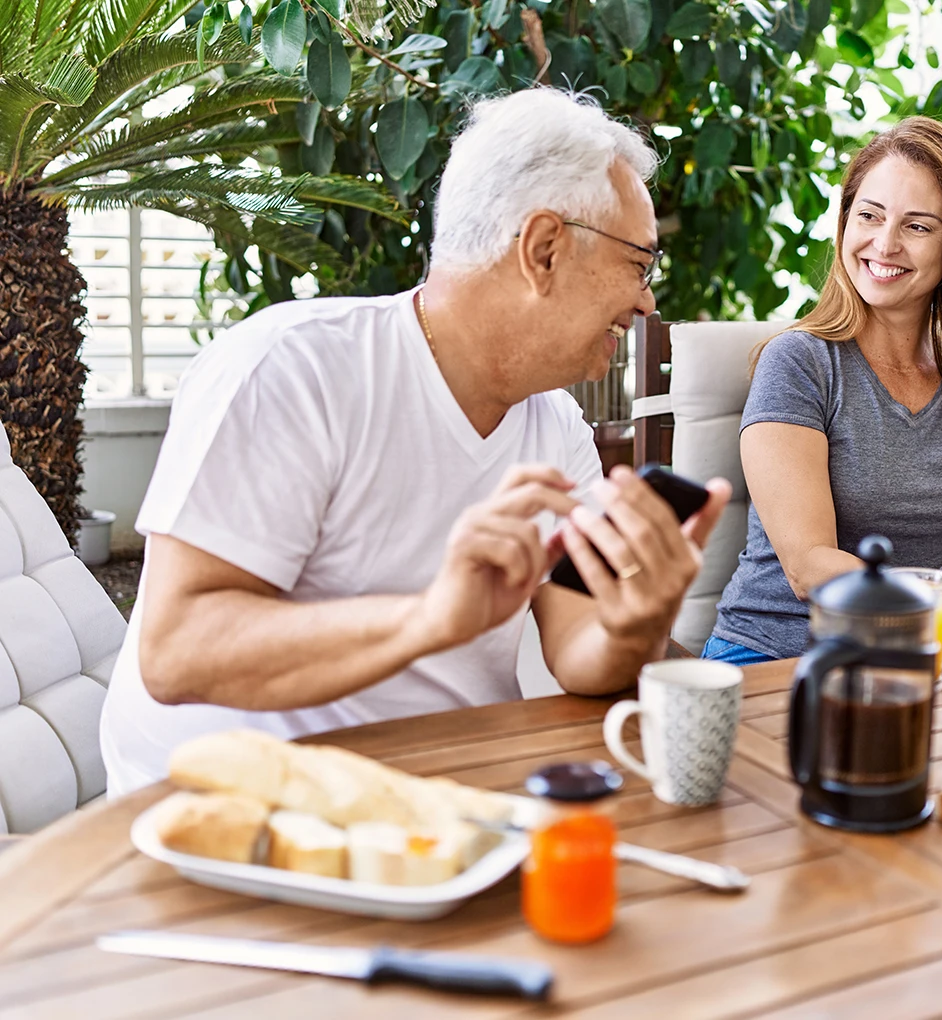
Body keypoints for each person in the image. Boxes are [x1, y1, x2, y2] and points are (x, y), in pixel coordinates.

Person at [100, 89, 731, 796]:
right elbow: (177, 651)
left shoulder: (553, 424)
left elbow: (578, 653)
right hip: (233, 815)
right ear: (544, 248)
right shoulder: (291, 367)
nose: (648, 300)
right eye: (640, 264)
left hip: (443, 805)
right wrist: (430, 618)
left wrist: (637, 623)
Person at [704, 116, 942, 666]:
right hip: (776, 661)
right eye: (870, 215)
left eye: (918, 226)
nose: (884, 243)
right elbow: (810, 566)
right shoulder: (800, 363)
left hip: (910, 667)